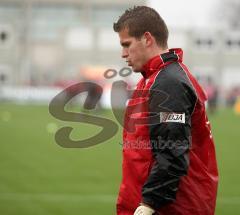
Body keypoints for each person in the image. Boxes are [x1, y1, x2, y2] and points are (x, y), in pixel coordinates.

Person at [113, 6, 218, 215]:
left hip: (172, 208)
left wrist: (149, 204)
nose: (123, 53)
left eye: (127, 45)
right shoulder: (155, 79)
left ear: (147, 39)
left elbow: (172, 152)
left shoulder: (169, 83)